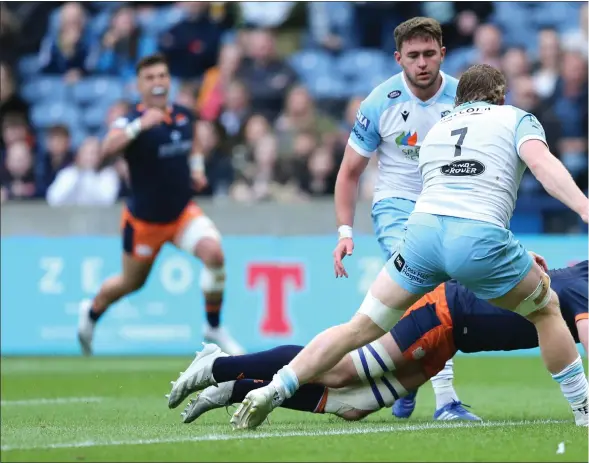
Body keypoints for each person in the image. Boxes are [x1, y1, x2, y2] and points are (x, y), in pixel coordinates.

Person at [216, 64, 589, 429]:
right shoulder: (516, 117)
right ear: (501, 97)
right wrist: (583, 206)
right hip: (477, 238)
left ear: (458, 101)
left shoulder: (439, 128)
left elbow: (446, 194)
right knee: (546, 309)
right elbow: (542, 166)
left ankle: (276, 388)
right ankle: (583, 410)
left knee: (358, 328)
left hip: (421, 236)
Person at [175, 261, 588, 424]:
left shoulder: (579, 274)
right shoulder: (584, 286)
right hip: (444, 313)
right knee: (337, 370)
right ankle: (218, 365)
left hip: (451, 338)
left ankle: (237, 388)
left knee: (351, 407)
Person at [332, 16, 475, 420]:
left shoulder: (465, 99)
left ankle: (405, 377)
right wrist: (345, 231)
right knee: (427, 291)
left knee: (441, 301)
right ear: (399, 59)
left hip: (448, 206)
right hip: (397, 205)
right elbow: (349, 172)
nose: (423, 63)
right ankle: (446, 400)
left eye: (430, 53)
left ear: (443, 54)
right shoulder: (379, 102)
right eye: (413, 56)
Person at [77, 54, 244, 356]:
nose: (157, 82)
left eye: (162, 76)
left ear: (169, 80)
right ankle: (91, 310)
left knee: (215, 253)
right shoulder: (129, 120)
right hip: (144, 223)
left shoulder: (182, 114)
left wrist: (196, 169)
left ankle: (213, 327)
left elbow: (192, 143)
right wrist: (139, 126)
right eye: (150, 78)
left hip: (181, 214)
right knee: (130, 283)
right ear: (139, 85)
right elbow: (105, 151)